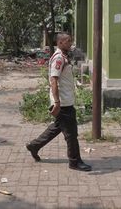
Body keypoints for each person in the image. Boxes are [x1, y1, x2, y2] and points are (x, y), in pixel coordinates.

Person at [26, 33, 92, 172]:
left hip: (65, 101)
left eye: (71, 41)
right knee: (71, 135)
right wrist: (56, 102)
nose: (70, 43)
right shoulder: (58, 58)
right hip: (62, 103)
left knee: (56, 128)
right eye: (68, 41)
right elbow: (53, 80)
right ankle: (75, 162)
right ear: (60, 42)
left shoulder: (64, 57)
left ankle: (34, 146)